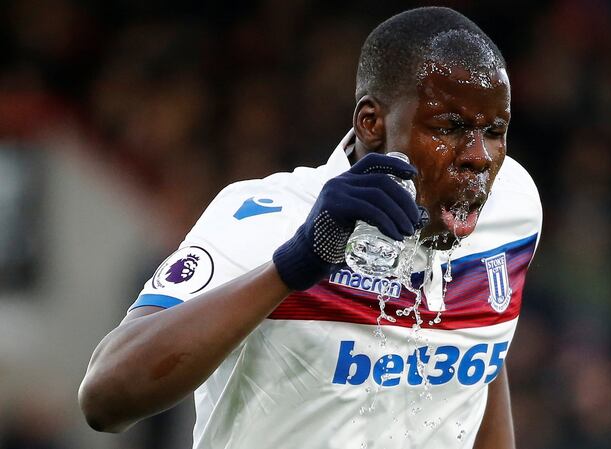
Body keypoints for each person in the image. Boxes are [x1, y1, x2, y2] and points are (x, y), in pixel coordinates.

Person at [79, 6, 542, 449]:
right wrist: (292, 266)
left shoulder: (513, 205)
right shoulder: (264, 217)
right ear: (371, 123)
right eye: (449, 126)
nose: (479, 156)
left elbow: (482, 359)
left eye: (495, 131)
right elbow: (106, 398)